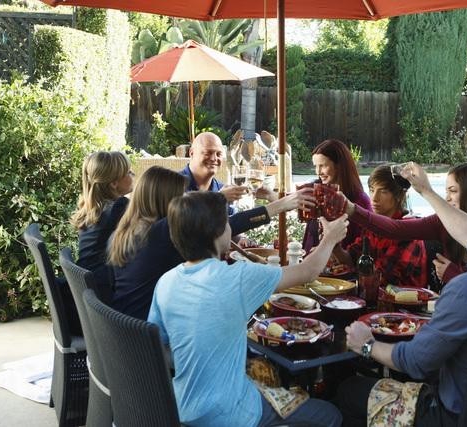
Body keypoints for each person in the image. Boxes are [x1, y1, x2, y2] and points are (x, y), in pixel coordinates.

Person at [336, 163, 467, 427]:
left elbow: (416, 362)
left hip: (450, 415)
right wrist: (426, 191)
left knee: (346, 391)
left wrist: (366, 344)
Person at [148, 191, 346, 427]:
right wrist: (331, 238)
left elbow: (159, 346)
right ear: (218, 233)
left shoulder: (166, 282)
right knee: (330, 414)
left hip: (183, 409)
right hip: (233, 414)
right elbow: (308, 271)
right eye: (228, 222)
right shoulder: (238, 277)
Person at [108, 166, 315, 320]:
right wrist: (280, 205)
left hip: (128, 328)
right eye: (181, 197)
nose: (185, 203)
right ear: (166, 201)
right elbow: (220, 224)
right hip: (150, 336)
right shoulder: (158, 233)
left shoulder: (130, 229)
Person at [344, 162, 467, 286]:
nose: (447, 198)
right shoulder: (440, 221)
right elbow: (395, 229)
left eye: (452, 191)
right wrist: (350, 209)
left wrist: (455, 276)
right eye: (446, 191)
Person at [332, 165, 427, 288]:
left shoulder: (408, 232)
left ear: (398, 196)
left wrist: (350, 269)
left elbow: (382, 277)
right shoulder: (371, 227)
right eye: (372, 190)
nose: (374, 198)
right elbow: (352, 257)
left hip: (402, 304)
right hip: (372, 298)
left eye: (383, 192)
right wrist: (334, 245)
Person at [70, 151, 133, 300]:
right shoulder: (118, 207)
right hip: (104, 293)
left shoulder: (94, 208)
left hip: (87, 289)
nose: (133, 175)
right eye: (129, 172)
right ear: (114, 183)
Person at [302, 139, 372, 254]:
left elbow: (364, 247)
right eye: (315, 166)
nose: (318, 172)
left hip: (344, 269)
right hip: (313, 266)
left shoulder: (360, 201)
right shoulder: (318, 193)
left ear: (339, 166)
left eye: (323, 166)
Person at [180, 131, 247, 215]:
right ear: (191, 153)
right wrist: (217, 199)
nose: (214, 158)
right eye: (208, 153)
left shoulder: (221, 189)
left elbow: (235, 221)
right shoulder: (171, 185)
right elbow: (179, 220)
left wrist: (267, 206)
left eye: (219, 154)